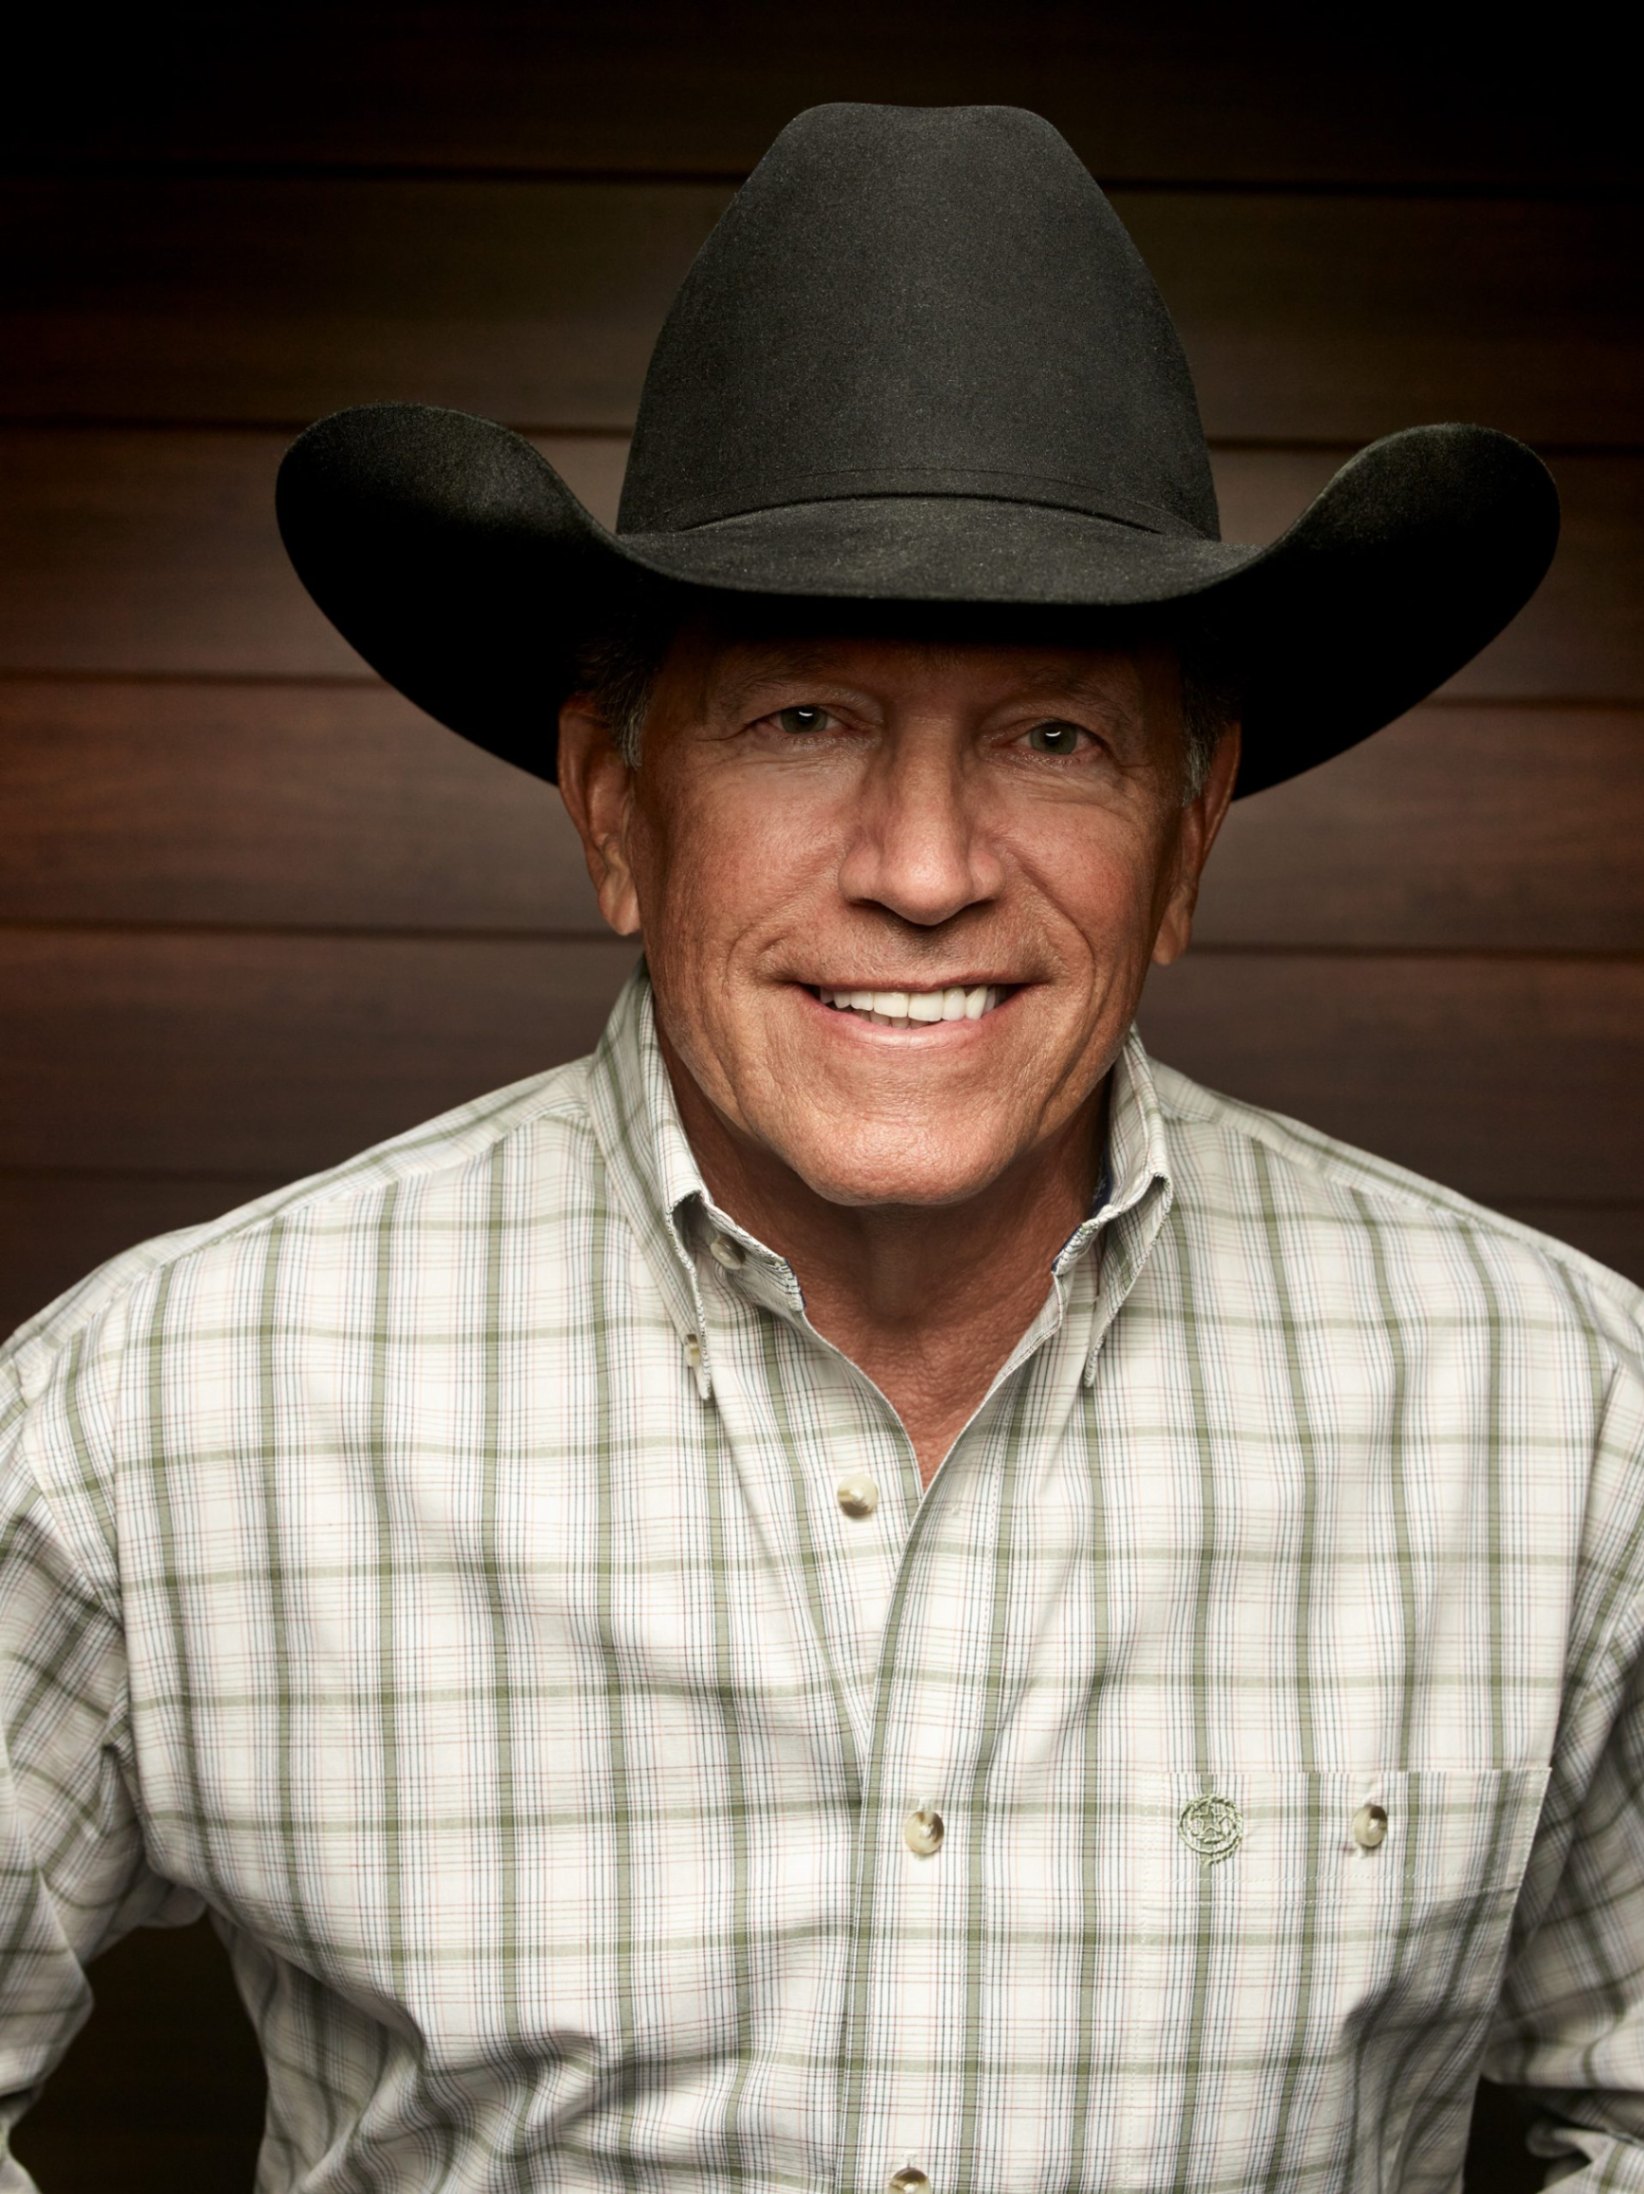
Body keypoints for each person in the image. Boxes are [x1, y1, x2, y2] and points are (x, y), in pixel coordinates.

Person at [1, 100, 1639, 2194]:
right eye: (803, 719)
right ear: (613, 805)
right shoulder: (162, 1413)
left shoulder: (1569, 1421)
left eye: (1054, 736)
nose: (926, 868)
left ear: (1190, 836)